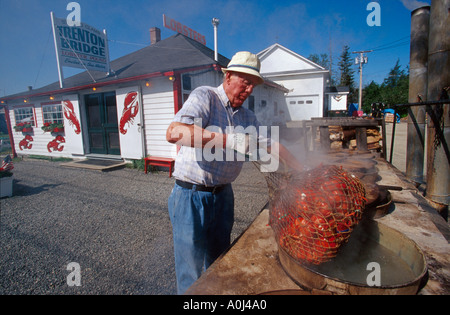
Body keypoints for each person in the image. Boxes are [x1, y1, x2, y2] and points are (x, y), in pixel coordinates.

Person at [166, 51, 301, 294]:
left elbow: (273, 145)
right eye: (245, 82)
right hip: (190, 196)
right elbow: (175, 133)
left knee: (221, 263)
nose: (249, 89)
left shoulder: (248, 116)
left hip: (224, 196)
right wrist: (230, 140)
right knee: (191, 270)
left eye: (253, 85)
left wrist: (303, 171)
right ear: (228, 77)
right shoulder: (205, 96)